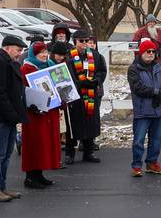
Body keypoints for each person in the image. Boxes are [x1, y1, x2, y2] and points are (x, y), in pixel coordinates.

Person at [0, 35, 28, 203]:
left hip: (7, 118)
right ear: (8, 48)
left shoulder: (9, 62)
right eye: (18, 50)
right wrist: (11, 114)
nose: (19, 54)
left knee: (6, 155)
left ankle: (1, 186)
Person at [19, 41, 65, 188]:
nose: (44, 55)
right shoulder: (27, 68)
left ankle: (39, 174)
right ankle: (30, 176)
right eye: (41, 53)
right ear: (34, 54)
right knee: (35, 143)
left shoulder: (50, 65)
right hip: (35, 113)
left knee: (46, 143)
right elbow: (25, 90)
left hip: (50, 111)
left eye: (45, 52)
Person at [127, 39, 161, 177]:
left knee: (156, 139)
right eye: (148, 51)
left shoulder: (160, 67)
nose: (151, 54)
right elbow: (138, 88)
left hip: (158, 110)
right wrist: (156, 92)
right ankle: (136, 166)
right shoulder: (134, 69)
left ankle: (152, 163)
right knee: (139, 140)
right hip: (143, 111)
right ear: (141, 52)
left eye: (153, 51)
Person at [64, 30, 104, 163]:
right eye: (81, 41)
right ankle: (70, 153)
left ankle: (88, 152)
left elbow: (101, 71)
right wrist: (80, 83)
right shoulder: (69, 56)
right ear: (74, 42)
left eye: (87, 40)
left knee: (90, 123)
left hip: (91, 94)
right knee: (74, 125)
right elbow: (66, 75)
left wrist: (96, 80)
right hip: (76, 95)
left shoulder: (95, 55)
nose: (85, 43)